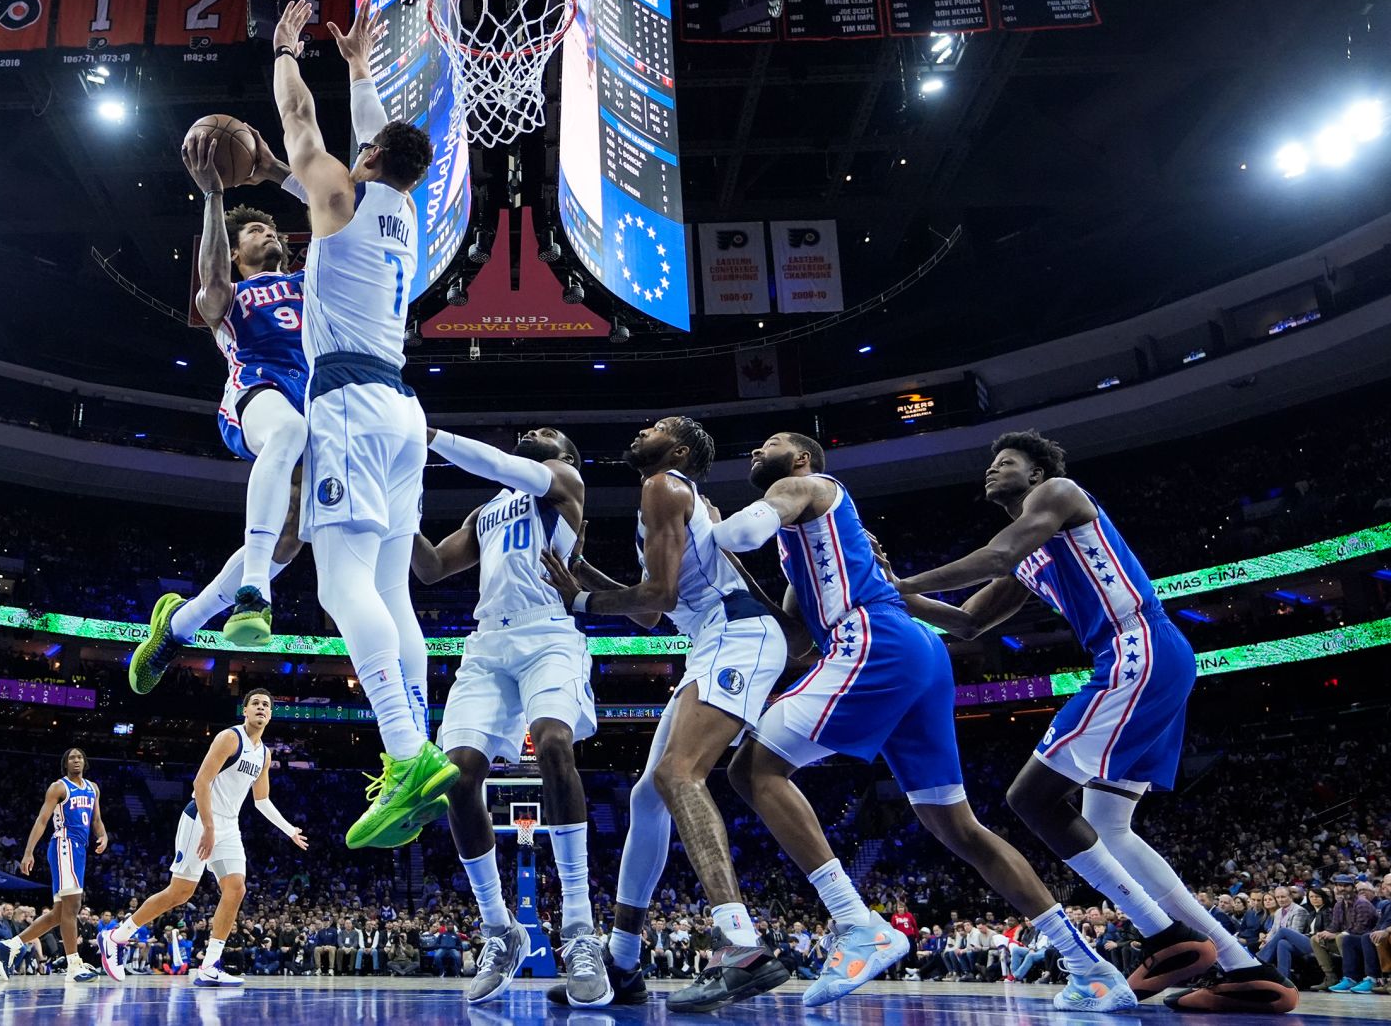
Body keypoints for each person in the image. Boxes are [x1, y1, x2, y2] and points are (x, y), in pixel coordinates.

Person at [707, 431, 1137, 1011]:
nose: (756, 451)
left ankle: (857, 924)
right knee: (957, 829)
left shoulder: (804, 485)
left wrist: (701, 526)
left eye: (771, 443)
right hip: (917, 654)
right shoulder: (808, 552)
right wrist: (737, 576)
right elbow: (796, 643)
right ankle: (1090, 967)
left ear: (802, 459)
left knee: (751, 770)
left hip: (875, 644)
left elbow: (738, 531)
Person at [891, 429, 1298, 1014]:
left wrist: (904, 582)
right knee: (1108, 825)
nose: (992, 469)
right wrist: (890, 593)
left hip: (1139, 648)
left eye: (1005, 461)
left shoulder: (1058, 493)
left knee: (1031, 797)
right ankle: (1245, 968)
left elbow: (1000, 553)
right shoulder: (1027, 547)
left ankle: (1167, 940)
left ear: (1035, 474)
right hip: (1149, 661)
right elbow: (965, 624)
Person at [269, 0, 453, 851]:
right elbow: (375, 138)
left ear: (370, 158)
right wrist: (358, 67)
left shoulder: (340, 193)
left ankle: (408, 753)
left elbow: (299, 122)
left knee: (341, 590)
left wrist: (285, 53)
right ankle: (421, 743)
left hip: (345, 403)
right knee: (388, 594)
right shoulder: (405, 210)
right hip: (403, 413)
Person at [539, 416, 791, 1013]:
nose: (638, 433)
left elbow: (661, 597)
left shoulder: (663, 485)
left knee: (680, 776)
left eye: (654, 428)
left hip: (738, 634)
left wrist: (580, 599)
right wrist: (584, 573)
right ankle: (623, 965)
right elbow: (653, 616)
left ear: (677, 450)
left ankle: (741, 946)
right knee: (646, 797)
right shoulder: (669, 497)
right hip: (712, 638)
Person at [411, 425, 607, 1005]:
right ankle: (499, 927)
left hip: (548, 633)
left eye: (547, 432)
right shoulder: (488, 509)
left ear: (565, 455)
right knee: (458, 773)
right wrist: (399, 504)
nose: (532, 432)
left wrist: (429, 437)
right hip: (487, 644)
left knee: (552, 744)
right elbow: (429, 568)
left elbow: (498, 463)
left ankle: (578, 929)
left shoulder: (564, 482)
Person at [128, 135, 313, 690]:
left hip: (311, 397)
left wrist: (283, 173)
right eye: (256, 231)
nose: (270, 233)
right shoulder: (228, 294)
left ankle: (178, 626)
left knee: (294, 534)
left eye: (274, 230)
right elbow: (208, 282)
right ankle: (254, 590)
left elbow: (337, 216)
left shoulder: (310, 283)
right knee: (287, 431)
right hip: (254, 390)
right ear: (236, 251)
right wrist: (212, 196)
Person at [99, 689, 308, 986]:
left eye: (266, 705)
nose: (261, 707)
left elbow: (261, 800)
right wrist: (209, 828)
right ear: (245, 711)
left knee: (236, 889)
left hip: (228, 826)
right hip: (200, 818)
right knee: (180, 892)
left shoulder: (264, 753)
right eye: (256, 704)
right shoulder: (229, 738)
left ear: (271, 715)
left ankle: (210, 964)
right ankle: (116, 937)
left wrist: (289, 829)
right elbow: (201, 781)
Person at [0, 749, 107, 982]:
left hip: (79, 850)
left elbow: (96, 819)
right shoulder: (59, 787)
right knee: (73, 906)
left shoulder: (93, 788)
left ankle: (9, 946)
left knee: (58, 914)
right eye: (72, 758)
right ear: (65, 764)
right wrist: (28, 852)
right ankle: (74, 965)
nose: (76, 760)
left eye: (80, 757)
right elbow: (42, 820)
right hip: (63, 845)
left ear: (85, 762)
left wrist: (103, 835)